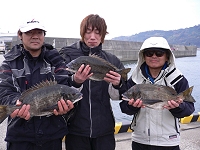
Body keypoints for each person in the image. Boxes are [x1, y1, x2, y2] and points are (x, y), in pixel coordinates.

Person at [0, 19, 91, 150]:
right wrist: (15, 103)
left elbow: (64, 85)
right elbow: (4, 91)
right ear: (20, 35)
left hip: (52, 137)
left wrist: (73, 90)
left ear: (44, 35)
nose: (35, 36)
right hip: (20, 138)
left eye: (39, 32)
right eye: (30, 32)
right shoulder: (9, 62)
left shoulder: (56, 60)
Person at [59, 14, 125, 150]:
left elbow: (119, 96)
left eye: (97, 32)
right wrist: (75, 82)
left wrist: (118, 84)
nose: (92, 37)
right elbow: (58, 90)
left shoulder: (113, 61)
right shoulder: (67, 56)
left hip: (104, 130)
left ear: (103, 35)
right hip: (75, 129)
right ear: (82, 33)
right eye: (88, 32)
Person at [119, 36, 195, 150]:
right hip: (140, 140)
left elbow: (189, 109)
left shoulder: (178, 79)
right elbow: (124, 108)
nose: (154, 56)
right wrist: (132, 107)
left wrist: (177, 107)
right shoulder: (135, 80)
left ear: (167, 56)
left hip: (168, 142)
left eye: (159, 53)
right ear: (143, 56)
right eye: (149, 53)